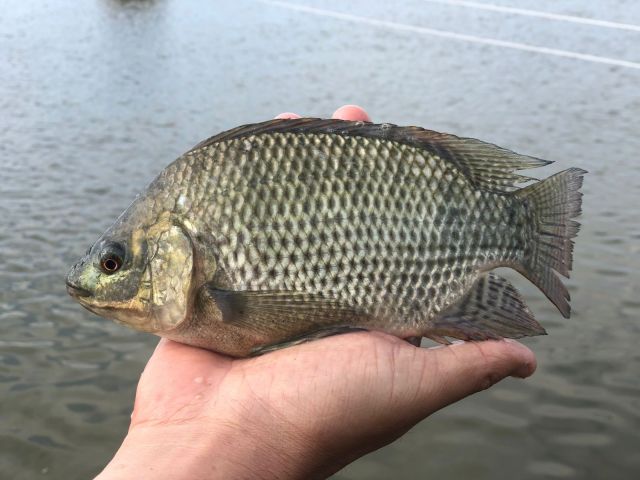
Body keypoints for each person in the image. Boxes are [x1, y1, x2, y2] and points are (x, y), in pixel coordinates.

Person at [96, 105, 537, 480]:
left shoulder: (208, 290)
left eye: (113, 264)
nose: (104, 279)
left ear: (177, 249)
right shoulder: (188, 213)